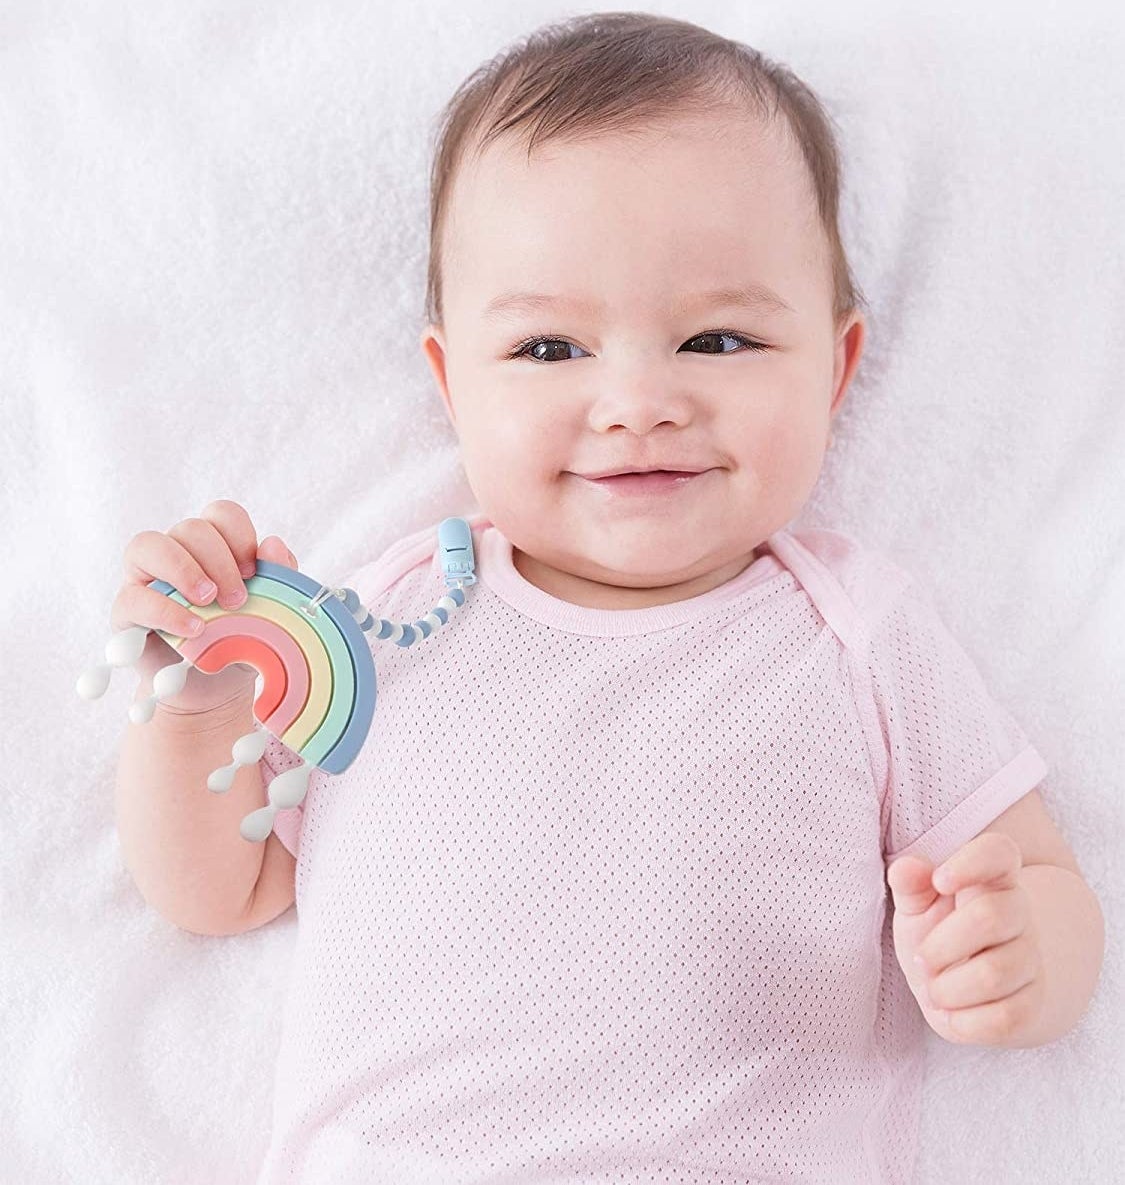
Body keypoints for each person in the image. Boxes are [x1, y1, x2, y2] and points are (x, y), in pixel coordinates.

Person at [112, 12, 1104, 1183]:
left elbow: (1038, 877)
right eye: (548, 351)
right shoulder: (384, 617)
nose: (638, 400)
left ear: (835, 369)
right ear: (450, 383)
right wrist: (194, 717)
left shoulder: (855, 635)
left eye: (719, 339)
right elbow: (222, 892)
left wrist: (1019, 949)